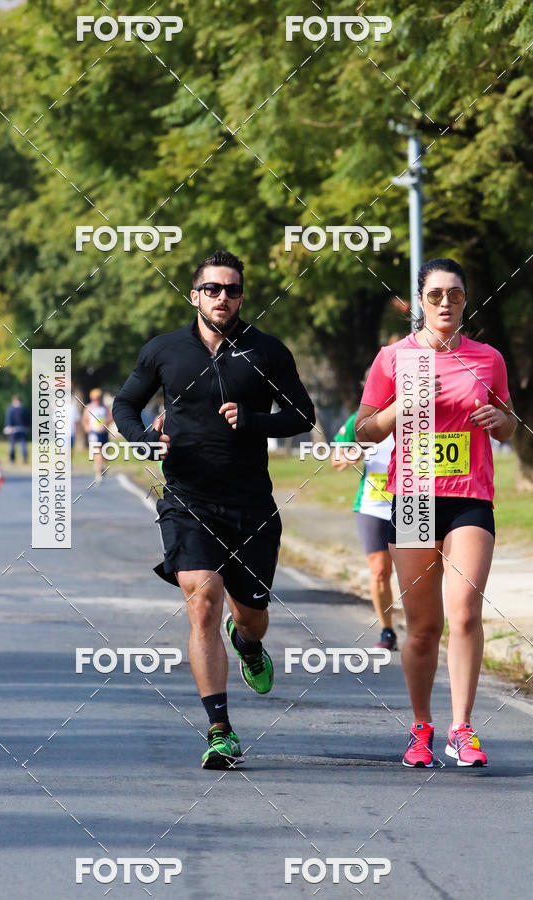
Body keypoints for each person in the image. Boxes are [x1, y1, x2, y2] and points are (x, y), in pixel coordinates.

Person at [112, 249, 315, 769]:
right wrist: (143, 440)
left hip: (251, 506)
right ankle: (220, 729)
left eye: (231, 289)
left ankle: (247, 643)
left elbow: (302, 415)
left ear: (241, 297)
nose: (222, 297)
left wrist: (253, 420)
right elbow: (124, 405)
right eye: (212, 288)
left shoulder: (266, 351)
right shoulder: (164, 350)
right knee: (203, 599)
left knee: (252, 617)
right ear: (194, 295)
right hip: (188, 499)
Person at [355, 258, 516, 768]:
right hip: (415, 500)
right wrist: (400, 407)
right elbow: (364, 430)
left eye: (456, 295)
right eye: (436, 295)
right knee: (424, 626)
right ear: (420, 301)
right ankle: (421, 726)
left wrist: (499, 419)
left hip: (470, 496)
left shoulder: (488, 358)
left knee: (465, 614)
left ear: (466, 301)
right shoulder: (393, 358)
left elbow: (509, 422)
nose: (446, 303)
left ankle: (461, 728)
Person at [331, 408, 397, 650]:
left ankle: (419, 630)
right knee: (380, 571)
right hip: (373, 506)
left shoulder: (416, 412)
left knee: (413, 574)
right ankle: (387, 630)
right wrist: (350, 456)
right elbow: (336, 459)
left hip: (411, 503)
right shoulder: (360, 419)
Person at [82, 388, 113, 483]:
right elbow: (84, 419)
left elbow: (111, 418)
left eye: (98, 398)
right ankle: (98, 472)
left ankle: (102, 466)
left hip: (103, 432)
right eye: (95, 398)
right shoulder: (89, 407)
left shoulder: (105, 407)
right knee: (97, 452)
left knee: (104, 453)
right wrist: (87, 427)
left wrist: (106, 424)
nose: (96, 400)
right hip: (94, 433)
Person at [4, 395, 29, 463]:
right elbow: (28, 419)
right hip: (22, 428)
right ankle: (24, 458)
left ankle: (12, 459)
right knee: (22, 444)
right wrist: (28, 426)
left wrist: (8, 426)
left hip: (13, 429)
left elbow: (8, 419)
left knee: (12, 445)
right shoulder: (23, 408)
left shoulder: (11, 409)